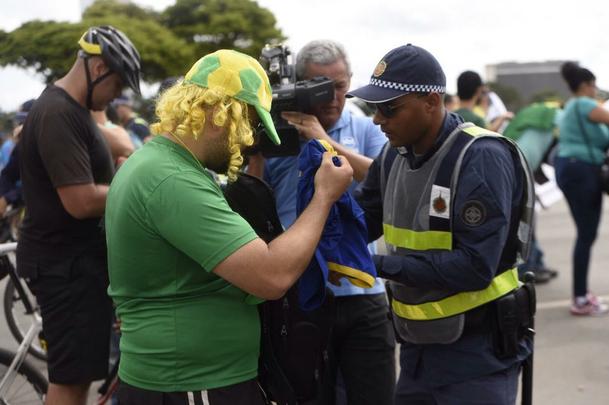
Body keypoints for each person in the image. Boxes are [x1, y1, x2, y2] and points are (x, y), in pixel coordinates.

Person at [105, 49, 353, 405]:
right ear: (221, 114)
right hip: (191, 382)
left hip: (189, 378)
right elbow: (271, 276)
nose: (249, 140)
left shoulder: (161, 164)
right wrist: (323, 197)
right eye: (248, 124)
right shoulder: (170, 179)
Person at [349, 44, 534, 404]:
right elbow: (360, 222)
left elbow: (475, 267)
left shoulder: (480, 157)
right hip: (419, 355)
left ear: (432, 102)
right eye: (374, 108)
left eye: (389, 108)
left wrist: (376, 265)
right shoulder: (393, 156)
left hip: (476, 361)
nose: (377, 119)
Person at [262, 39, 395, 405]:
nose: (334, 97)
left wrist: (325, 142)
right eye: (321, 87)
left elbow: (387, 178)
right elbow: (254, 193)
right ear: (299, 85)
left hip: (362, 291)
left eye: (340, 86)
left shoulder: (367, 128)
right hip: (303, 291)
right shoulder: (278, 134)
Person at [17, 25, 141, 405]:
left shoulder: (76, 109)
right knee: (70, 382)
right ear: (98, 67)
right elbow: (81, 200)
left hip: (78, 264)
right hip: (64, 267)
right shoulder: (58, 112)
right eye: (117, 84)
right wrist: (136, 187)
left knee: (81, 376)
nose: (117, 94)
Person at [554, 61, 609, 316]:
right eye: (594, 86)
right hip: (583, 170)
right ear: (585, 85)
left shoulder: (567, 107)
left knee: (584, 234)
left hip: (569, 169)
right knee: (586, 234)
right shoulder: (585, 104)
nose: (596, 90)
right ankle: (579, 298)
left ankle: (581, 294)